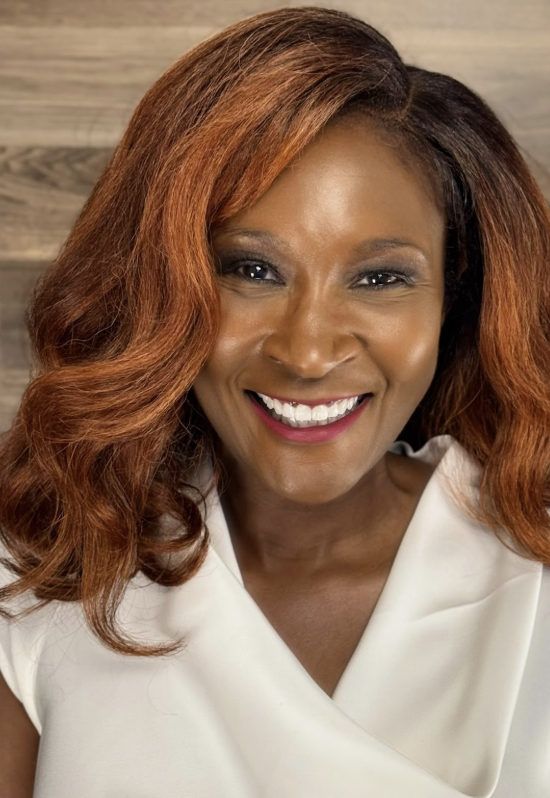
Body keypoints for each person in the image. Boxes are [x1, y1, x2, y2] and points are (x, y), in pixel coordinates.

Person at [1, 6, 549, 797]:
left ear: (453, 299)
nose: (309, 351)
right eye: (252, 270)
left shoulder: (532, 573)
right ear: (162, 285)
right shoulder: (40, 582)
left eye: (381, 278)